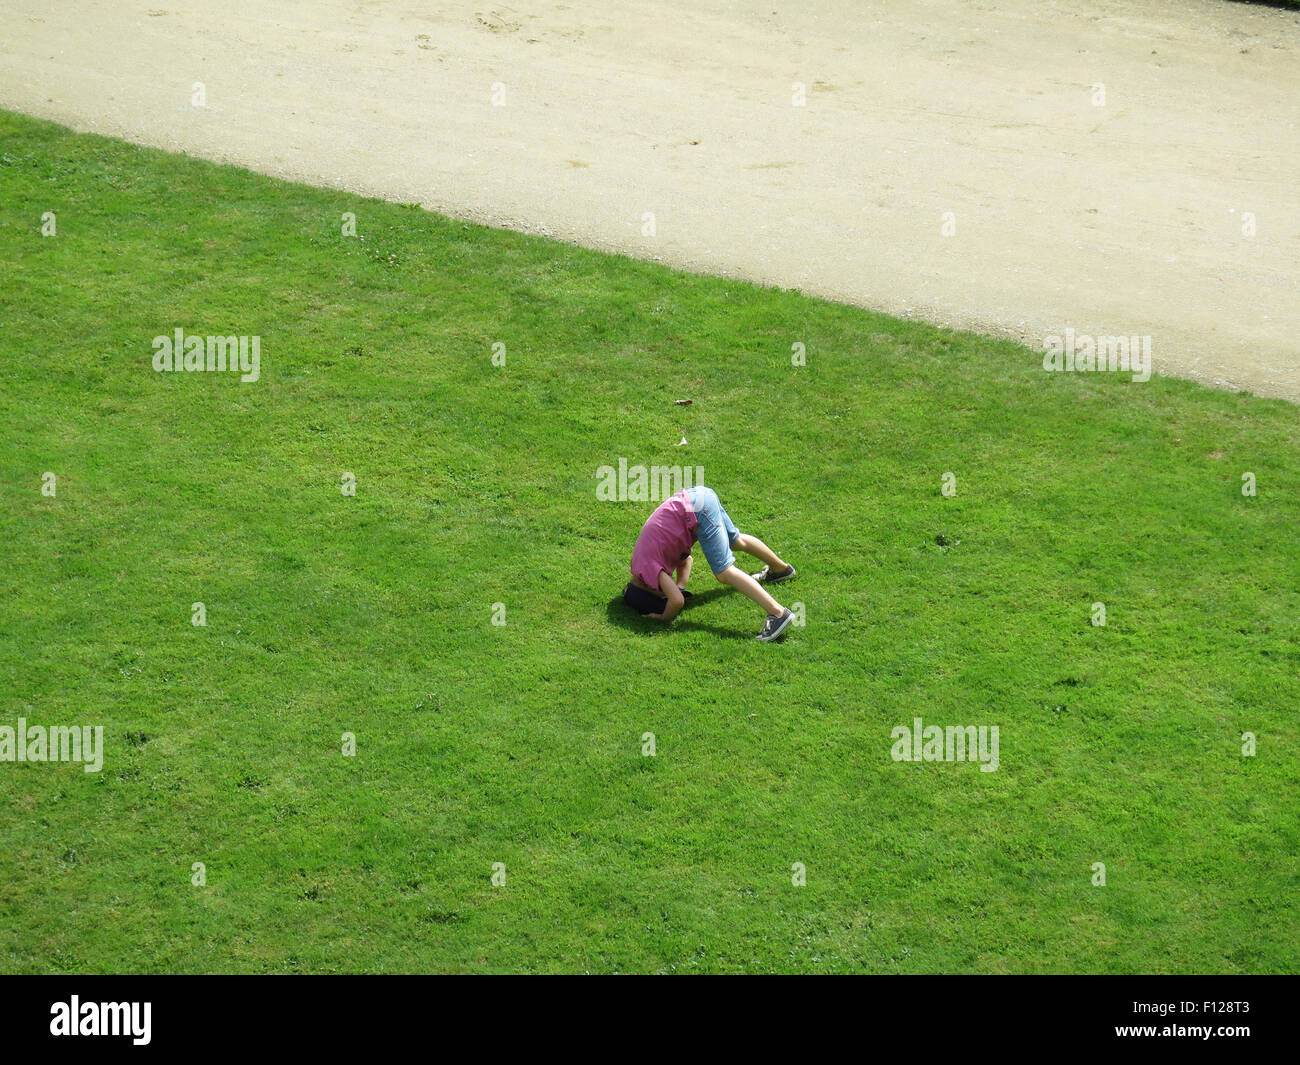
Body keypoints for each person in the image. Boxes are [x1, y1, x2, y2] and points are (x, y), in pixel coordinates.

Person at [623, 485, 796, 642]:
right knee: (735, 541)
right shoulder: (641, 562)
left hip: (695, 511)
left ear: (647, 588)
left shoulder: (647, 572)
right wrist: (680, 585)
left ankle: (777, 613)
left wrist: (664, 617)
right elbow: (686, 561)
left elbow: (676, 602)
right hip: (698, 497)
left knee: (724, 572)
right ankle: (780, 569)